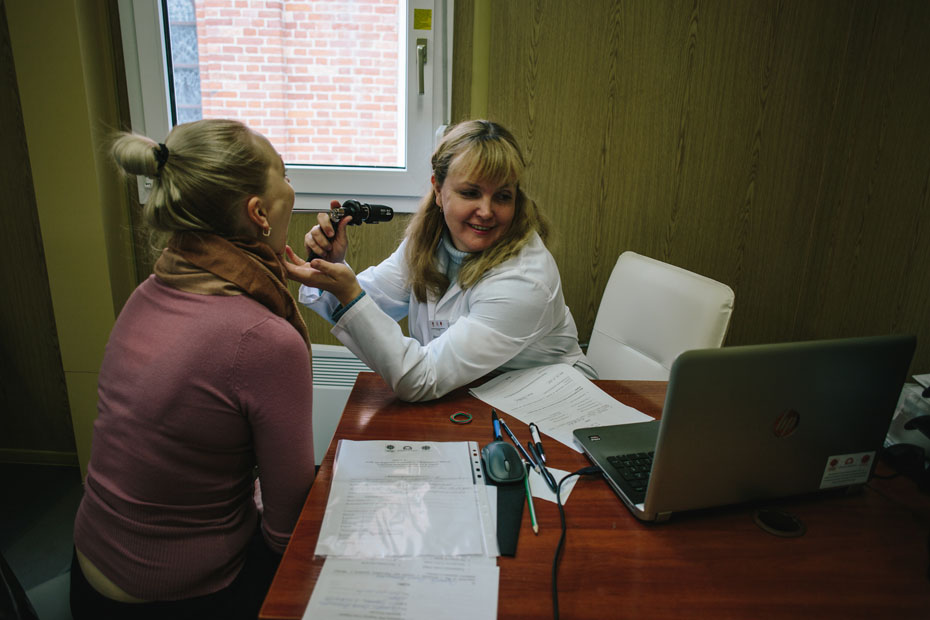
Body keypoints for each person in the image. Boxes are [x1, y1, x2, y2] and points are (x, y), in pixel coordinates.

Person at [71, 119, 315, 619]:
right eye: (286, 176)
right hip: (179, 596)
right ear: (259, 213)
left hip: (91, 571)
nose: (293, 190)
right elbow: (285, 530)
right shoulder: (264, 341)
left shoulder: (150, 291)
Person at [284, 119, 596, 402]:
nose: (486, 211)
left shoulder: (525, 279)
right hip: (473, 396)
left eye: (502, 196)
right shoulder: (430, 243)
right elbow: (369, 307)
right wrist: (331, 269)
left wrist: (349, 292)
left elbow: (420, 379)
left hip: (549, 406)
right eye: (471, 193)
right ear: (438, 189)